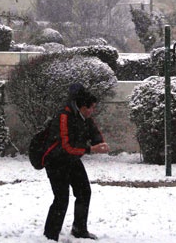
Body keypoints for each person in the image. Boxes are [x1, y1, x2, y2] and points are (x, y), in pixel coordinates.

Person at [42, 83, 110, 241]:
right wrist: (91, 150)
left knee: (84, 191)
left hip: (71, 160)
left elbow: (94, 132)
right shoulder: (64, 116)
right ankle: (50, 235)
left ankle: (79, 229)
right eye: (91, 108)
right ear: (81, 106)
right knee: (61, 198)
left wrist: (100, 143)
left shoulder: (85, 117)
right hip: (56, 161)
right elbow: (66, 146)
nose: (92, 111)